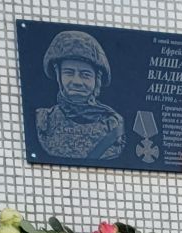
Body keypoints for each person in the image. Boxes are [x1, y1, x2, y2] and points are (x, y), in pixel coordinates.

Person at [34, 29, 125, 162]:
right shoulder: (43, 120)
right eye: (69, 73)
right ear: (58, 76)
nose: (77, 82)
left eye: (85, 75)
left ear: (96, 80)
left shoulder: (114, 125)